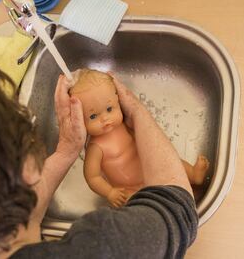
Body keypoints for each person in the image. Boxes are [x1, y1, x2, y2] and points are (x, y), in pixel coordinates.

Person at [0, 52, 198, 259]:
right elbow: (176, 210)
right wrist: (136, 110)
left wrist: (65, 151)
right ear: (27, 170)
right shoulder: (102, 247)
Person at [69, 68, 210, 207]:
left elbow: (143, 137)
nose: (105, 119)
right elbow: (92, 177)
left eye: (109, 109)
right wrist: (110, 192)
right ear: (79, 119)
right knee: (133, 201)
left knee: (171, 162)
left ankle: (193, 174)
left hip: (151, 167)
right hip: (129, 186)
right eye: (93, 116)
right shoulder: (95, 147)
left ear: (117, 100)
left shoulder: (124, 125)